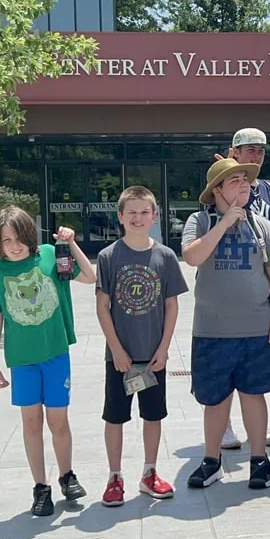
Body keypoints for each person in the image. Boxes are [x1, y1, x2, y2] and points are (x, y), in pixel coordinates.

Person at [181, 158, 270, 490]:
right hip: (212, 330)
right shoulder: (199, 220)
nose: (244, 186)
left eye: (246, 180)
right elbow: (192, 257)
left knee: (254, 395)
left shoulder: (261, 225)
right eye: (235, 181)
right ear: (216, 190)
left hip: (257, 328)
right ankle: (211, 461)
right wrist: (224, 223)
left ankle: (259, 460)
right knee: (214, 400)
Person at [0, 207, 97, 517]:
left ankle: (67, 475)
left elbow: (90, 276)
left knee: (58, 421)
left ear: (30, 236)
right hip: (22, 361)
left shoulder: (50, 254)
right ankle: (40, 487)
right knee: (31, 422)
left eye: (19, 238)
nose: (14, 245)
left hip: (56, 354)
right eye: (6, 240)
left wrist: (71, 244)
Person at [95, 186, 188, 507]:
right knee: (115, 417)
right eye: (130, 212)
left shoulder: (164, 256)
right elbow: (102, 306)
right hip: (120, 356)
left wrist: (164, 349)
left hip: (153, 356)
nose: (137, 217)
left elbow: (172, 306)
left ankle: (150, 473)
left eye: (144, 212)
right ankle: (114, 476)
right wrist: (117, 349)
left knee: (153, 415)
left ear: (155, 216)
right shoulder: (109, 256)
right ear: (120, 217)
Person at [218, 128, 270, 451]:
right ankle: (225, 427)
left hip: (263, 285)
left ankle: (258, 425)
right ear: (234, 152)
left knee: (256, 360)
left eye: (260, 150)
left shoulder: (269, 190)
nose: (256, 155)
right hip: (229, 284)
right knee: (228, 358)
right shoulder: (220, 185)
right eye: (249, 150)